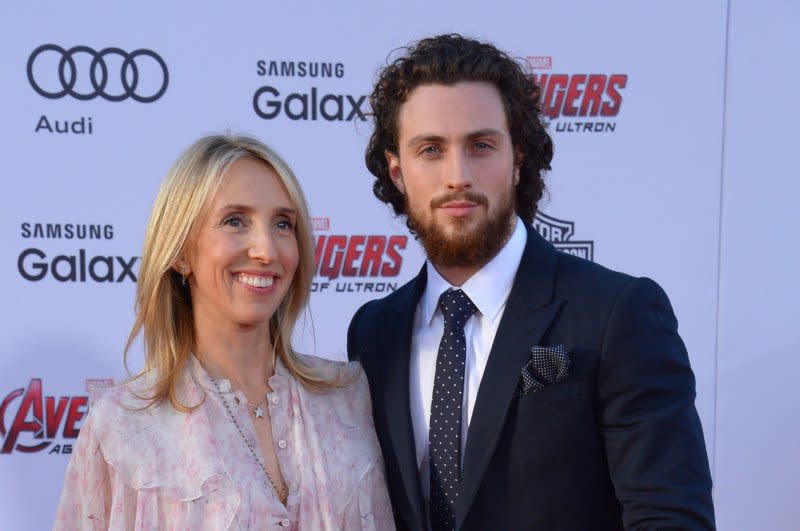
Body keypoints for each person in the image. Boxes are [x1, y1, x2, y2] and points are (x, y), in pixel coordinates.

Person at [348, 34, 715, 530]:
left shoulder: (617, 312)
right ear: (397, 171)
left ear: (518, 158)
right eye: (430, 150)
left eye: (481, 146)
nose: (457, 175)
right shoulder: (374, 333)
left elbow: (670, 519)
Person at [54, 135, 394, 530]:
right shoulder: (123, 427)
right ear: (181, 252)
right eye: (235, 221)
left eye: (283, 224)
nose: (266, 249)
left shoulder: (349, 396)